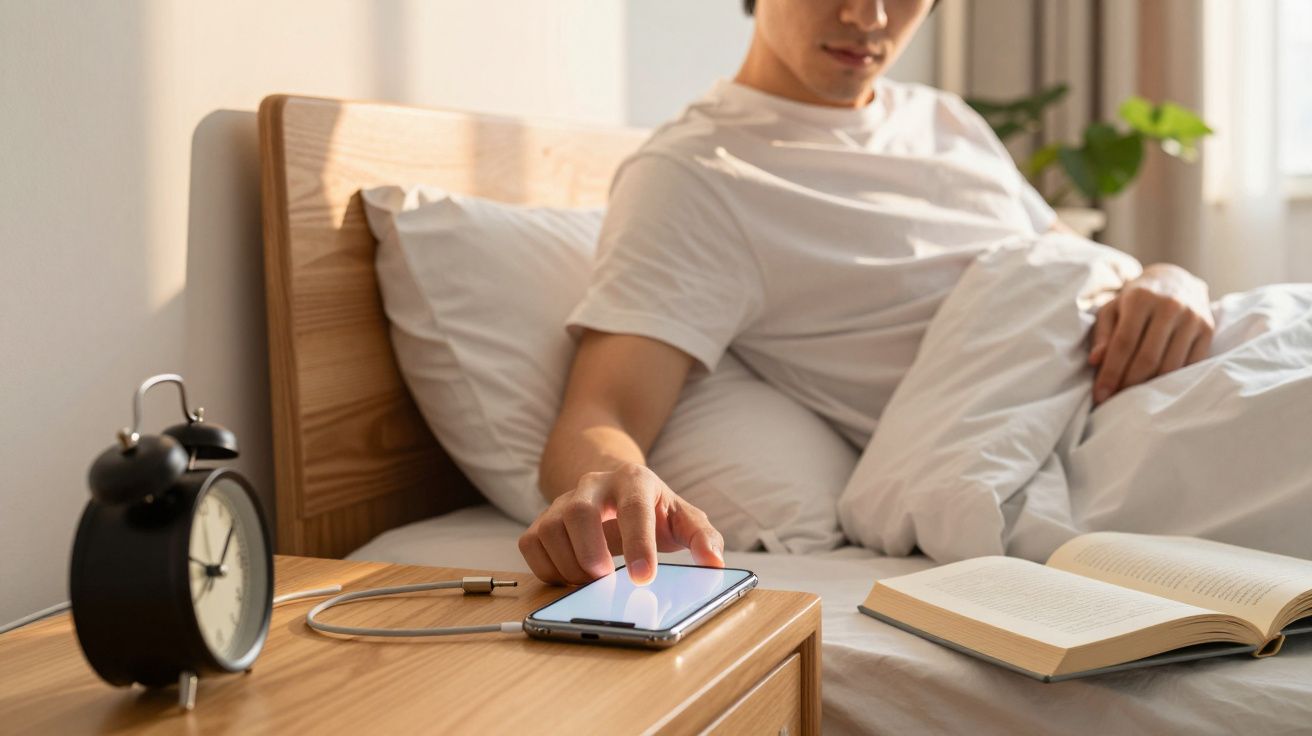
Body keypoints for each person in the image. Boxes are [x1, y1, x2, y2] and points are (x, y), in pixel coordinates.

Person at [518, 0, 1215, 586]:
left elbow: (1067, 258)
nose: (869, 16)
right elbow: (599, 410)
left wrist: (1166, 276)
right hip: (1098, 442)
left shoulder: (946, 120)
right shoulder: (697, 174)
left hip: (1194, 356)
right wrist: (614, 481)